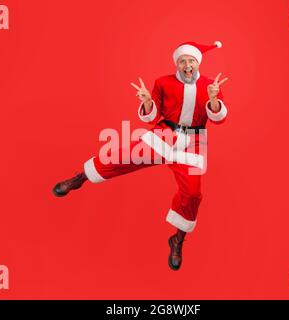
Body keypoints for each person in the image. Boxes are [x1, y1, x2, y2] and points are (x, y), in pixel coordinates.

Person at [53, 41, 229, 271]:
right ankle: (80, 178)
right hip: (164, 134)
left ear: (198, 63)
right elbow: (149, 117)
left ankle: (178, 239)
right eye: (182, 61)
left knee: (193, 194)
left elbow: (219, 119)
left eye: (191, 61)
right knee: (120, 156)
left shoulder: (210, 86)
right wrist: (147, 102)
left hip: (193, 144)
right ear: (177, 64)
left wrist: (214, 100)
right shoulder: (163, 82)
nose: (187, 65)